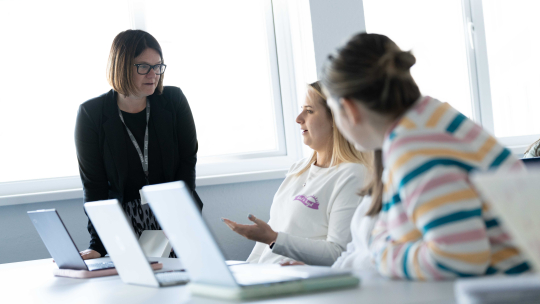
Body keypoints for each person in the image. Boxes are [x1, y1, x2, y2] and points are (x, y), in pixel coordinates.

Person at [321, 32, 530, 279]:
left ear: (350, 109)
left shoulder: (414, 148)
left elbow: (460, 260)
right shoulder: (430, 118)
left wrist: (380, 254)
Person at [75, 30, 202, 260]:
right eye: (143, 66)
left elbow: (187, 162)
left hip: (174, 217)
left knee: (180, 291)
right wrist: (97, 245)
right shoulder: (91, 114)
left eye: (158, 66)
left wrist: (179, 222)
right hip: (122, 226)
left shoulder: (173, 101)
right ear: (121, 66)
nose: (153, 74)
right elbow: (94, 186)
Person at [221, 81, 371, 266]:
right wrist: (247, 270)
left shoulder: (353, 175)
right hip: (266, 278)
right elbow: (273, 230)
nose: (298, 118)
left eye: (309, 111)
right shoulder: (299, 169)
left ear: (335, 119)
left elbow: (338, 252)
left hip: (298, 284)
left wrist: (273, 238)